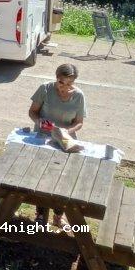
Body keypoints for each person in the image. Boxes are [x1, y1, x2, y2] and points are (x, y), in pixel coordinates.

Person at [28, 63, 86, 229]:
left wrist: (66, 131)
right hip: (44, 138)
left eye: (69, 84)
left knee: (63, 181)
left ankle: (58, 217)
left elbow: (79, 122)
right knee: (42, 178)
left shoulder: (79, 95)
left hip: (65, 143)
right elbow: (33, 112)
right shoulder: (45, 89)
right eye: (61, 83)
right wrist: (40, 122)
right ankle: (40, 214)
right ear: (56, 78)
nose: (65, 87)